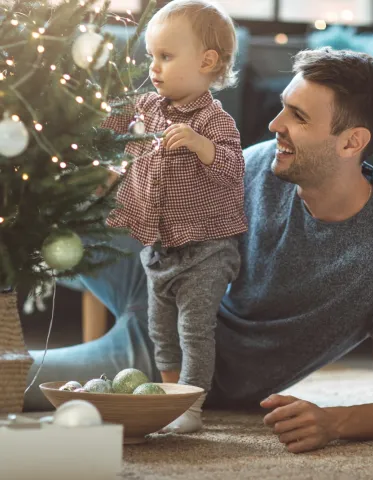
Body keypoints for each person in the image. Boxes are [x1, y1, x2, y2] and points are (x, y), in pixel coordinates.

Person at [25, 47, 373, 454]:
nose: (274, 124)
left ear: (352, 142)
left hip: (182, 362)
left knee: (13, 382)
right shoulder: (263, 163)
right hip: (156, 269)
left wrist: (335, 421)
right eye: (284, 106)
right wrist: (117, 181)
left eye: (298, 116)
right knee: (42, 198)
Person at [100, 0, 247, 433]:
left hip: (207, 249)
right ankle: (168, 399)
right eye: (151, 57)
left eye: (165, 56)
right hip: (159, 247)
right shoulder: (146, 108)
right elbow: (109, 126)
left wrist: (202, 145)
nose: (155, 67)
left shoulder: (215, 121)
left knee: (194, 329)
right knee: (160, 331)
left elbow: (232, 168)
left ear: (206, 62)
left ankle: (192, 405)